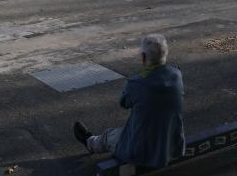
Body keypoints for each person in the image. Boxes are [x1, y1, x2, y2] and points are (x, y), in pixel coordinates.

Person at [73, 33, 185, 167]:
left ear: (143, 57)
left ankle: (89, 142)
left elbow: (124, 102)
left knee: (111, 135)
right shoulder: (177, 75)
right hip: (173, 143)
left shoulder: (136, 83)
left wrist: (140, 79)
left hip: (142, 152)